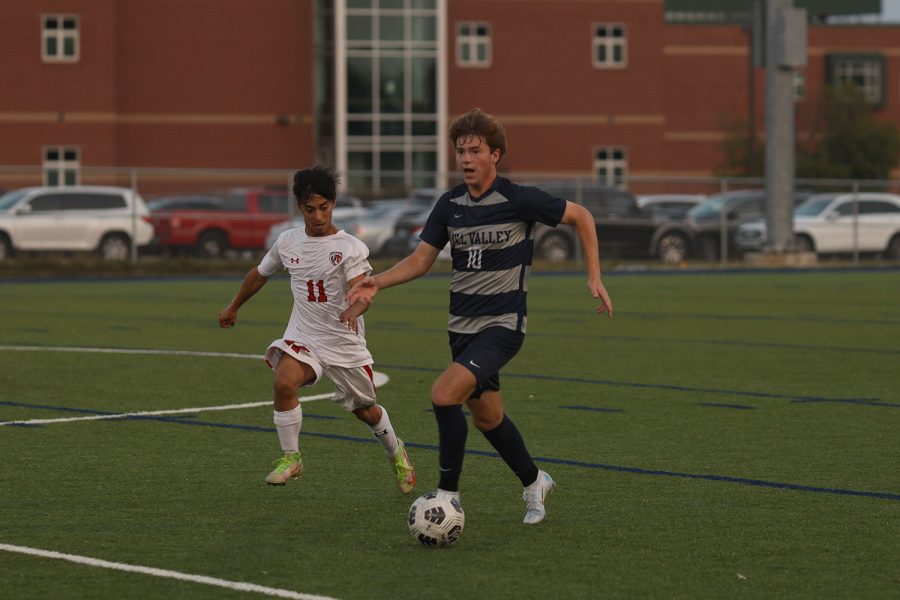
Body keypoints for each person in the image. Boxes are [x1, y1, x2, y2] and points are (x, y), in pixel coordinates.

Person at [348, 108, 612, 524]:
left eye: (475, 150)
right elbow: (421, 260)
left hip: (502, 326)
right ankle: (534, 481)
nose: (466, 159)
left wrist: (594, 275)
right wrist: (376, 282)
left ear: (496, 155)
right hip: (461, 329)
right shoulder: (449, 204)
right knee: (488, 418)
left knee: (443, 395)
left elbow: (582, 215)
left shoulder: (517, 198)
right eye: (460, 151)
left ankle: (448, 496)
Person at [218, 165, 416, 493]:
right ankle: (290, 457)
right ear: (300, 208)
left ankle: (397, 453)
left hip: (343, 342)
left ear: (333, 204)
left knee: (366, 411)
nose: (318, 216)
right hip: (304, 335)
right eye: (310, 209)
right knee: (284, 383)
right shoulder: (288, 242)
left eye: (324, 207)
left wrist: (354, 308)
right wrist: (234, 305)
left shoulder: (349, 247)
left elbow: (362, 290)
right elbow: (259, 274)